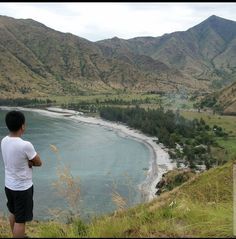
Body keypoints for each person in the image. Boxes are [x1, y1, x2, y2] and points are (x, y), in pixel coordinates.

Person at [1, 110, 42, 238]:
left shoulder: (4, 140)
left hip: (9, 185)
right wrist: (30, 162)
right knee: (21, 220)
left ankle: (17, 235)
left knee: (13, 212)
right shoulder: (25, 145)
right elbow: (39, 162)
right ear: (22, 126)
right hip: (22, 188)